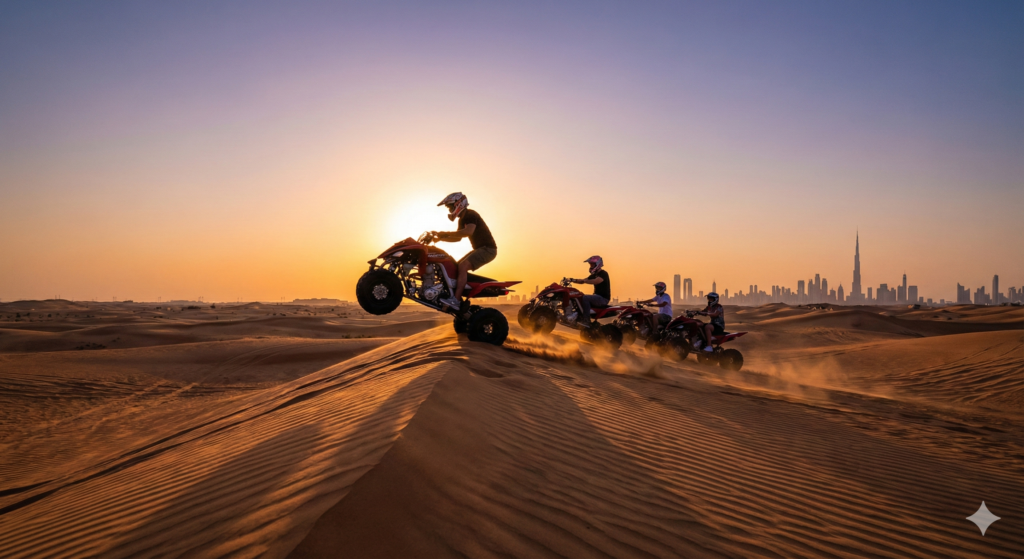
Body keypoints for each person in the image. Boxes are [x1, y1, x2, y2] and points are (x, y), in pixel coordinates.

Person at [430, 192, 497, 313]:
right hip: (480, 249)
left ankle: (455, 300)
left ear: (458, 204)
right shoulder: (462, 218)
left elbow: (468, 232)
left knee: (463, 266)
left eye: (450, 207)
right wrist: (440, 238)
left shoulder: (470, 214)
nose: (450, 210)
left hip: (488, 249)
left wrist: (444, 233)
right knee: (454, 267)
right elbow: (457, 238)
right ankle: (454, 296)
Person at [570, 256, 610, 327]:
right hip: (597, 297)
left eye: (592, 264)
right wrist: (572, 280)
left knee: (585, 298)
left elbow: (596, 281)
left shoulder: (603, 273)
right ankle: (577, 317)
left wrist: (585, 281)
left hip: (603, 298)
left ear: (598, 264)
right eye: (590, 264)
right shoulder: (594, 275)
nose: (591, 266)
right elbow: (583, 280)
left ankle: (586, 320)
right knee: (579, 297)